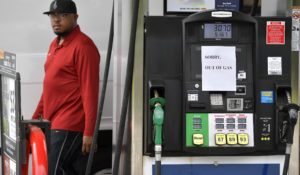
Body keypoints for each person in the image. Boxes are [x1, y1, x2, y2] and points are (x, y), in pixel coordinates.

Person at [32, 0, 100, 174]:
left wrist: (89, 132)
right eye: (53, 16)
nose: (56, 20)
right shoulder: (55, 45)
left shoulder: (84, 46)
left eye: (63, 15)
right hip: (52, 122)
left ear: (75, 17)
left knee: (51, 170)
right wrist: (33, 120)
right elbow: (49, 87)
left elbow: (90, 91)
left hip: (70, 123)